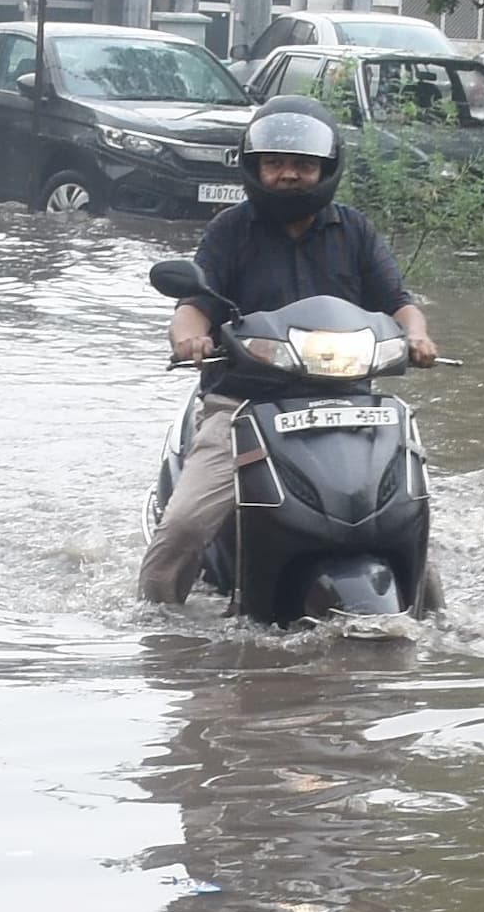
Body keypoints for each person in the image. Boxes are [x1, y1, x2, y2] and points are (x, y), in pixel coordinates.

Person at [140, 99, 439, 606]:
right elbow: (194, 307)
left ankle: (434, 623)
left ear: (325, 170)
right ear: (254, 168)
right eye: (275, 164)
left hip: (349, 404)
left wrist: (417, 337)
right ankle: (156, 623)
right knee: (185, 527)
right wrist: (189, 339)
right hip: (244, 404)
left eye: (303, 165)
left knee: (411, 520)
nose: (288, 176)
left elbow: (398, 305)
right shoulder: (230, 230)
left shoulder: (355, 231)